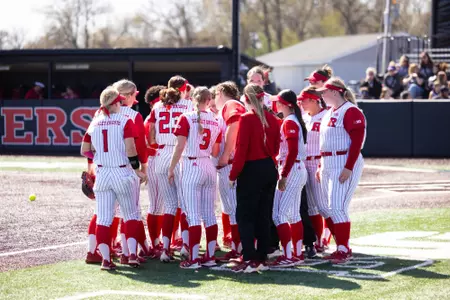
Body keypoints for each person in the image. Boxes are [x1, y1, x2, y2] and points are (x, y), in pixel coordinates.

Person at [80, 87, 148, 270]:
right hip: (122, 172)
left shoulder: (94, 122)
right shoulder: (125, 120)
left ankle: (106, 260)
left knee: (103, 218)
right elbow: (131, 149)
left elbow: (84, 149)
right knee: (131, 215)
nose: (121, 103)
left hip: (103, 174)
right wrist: (137, 170)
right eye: (119, 101)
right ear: (114, 104)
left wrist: (100, 157)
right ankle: (132, 255)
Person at [228, 84, 281, 273]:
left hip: (251, 168)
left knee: (245, 215)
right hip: (268, 167)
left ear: (247, 98)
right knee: (263, 214)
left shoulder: (247, 118)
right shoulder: (273, 120)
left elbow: (241, 149)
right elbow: (275, 148)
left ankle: (249, 257)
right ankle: (262, 256)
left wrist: (233, 174)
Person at [169, 87, 222, 269]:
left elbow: (179, 147)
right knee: (209, 214)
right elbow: (215, 151)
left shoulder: (186, 117)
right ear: (209, 100)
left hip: (191, 165)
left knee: (193, 216)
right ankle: (211, 255)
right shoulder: (215, 120)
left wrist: (171, 168)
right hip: (208, 165)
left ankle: (193, 259)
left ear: (193, 99)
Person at [316, 77, 366, 264]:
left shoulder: (351, 111)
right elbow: (324, 142)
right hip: (328, 160)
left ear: (335, 91)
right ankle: (341, 246)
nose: (322, 94)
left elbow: (357, 141)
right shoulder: (329, 112)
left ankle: (344, 249)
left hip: (343, 159)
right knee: (329, 208)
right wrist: (321, 164)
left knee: (337, 207)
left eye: (324, 91)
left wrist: (348, 167)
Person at [148, 75, 194, 262]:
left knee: (169, 206)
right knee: (184, 205)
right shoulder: (189, 105)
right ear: (183, 89)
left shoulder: (157, 107)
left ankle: (166, 249)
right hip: (180, 155)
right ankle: (184, 245)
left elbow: (150, 135)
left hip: (161, 155)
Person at [113, 79, 151, 263]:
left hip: (104, 168)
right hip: (127, 168)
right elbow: (139, 147)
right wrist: (143, 166)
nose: (136, 98)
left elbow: (88, 145)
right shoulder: (133, 116)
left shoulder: (100, 113)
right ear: (127, 96)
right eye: (134, 94)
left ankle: (100, 250)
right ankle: (129, 253)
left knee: (105, 214)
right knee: (131, 213)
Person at [269, 89, 308, 268]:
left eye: (278, 101)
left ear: (287, 104)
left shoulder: (290, 122)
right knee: (293, 214)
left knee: (279, 215)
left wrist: (283, 175)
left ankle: (287, 255)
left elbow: (292, 151)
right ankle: (297, 253)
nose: (276, 104)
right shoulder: (291, 120)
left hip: (291, 169)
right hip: (296, 168)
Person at [214, 81, 245, 259]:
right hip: (231, 163)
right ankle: (238, 246)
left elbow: (234, 124)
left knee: (234, 208)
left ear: (221, 92)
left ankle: (239, 248)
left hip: (232, 163)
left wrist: (225, 154)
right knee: (231, 207)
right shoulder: (228, 106)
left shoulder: (230, 104)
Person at [297, 87, 329, 253]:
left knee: (323, 205)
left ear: (314, 100)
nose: (301, 103)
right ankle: (317, 240)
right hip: (304, 163)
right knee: (310, 207)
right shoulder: (302, 117)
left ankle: (341, 243)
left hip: (318, 161)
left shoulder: (326, 116)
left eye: (304, 100)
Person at [143, 85, 166, 255]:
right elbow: (148, 144)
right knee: (156, 205)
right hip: (154, 159)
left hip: (162, 159)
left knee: (165, 205)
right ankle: (155, 243)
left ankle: (162, 242)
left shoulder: (163, 113)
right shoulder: (150, 118)